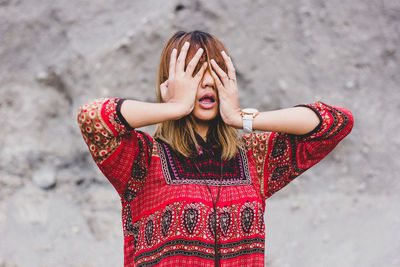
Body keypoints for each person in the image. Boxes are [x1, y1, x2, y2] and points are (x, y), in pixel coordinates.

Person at [77, 30, 353, 267]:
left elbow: (337, 122)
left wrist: (241, 118)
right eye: (195, 73)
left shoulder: (254, 156)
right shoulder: (143, 159)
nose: (208, 82)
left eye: (216, 71)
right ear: (170, 82)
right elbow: (92, 118)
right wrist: (174, 108)